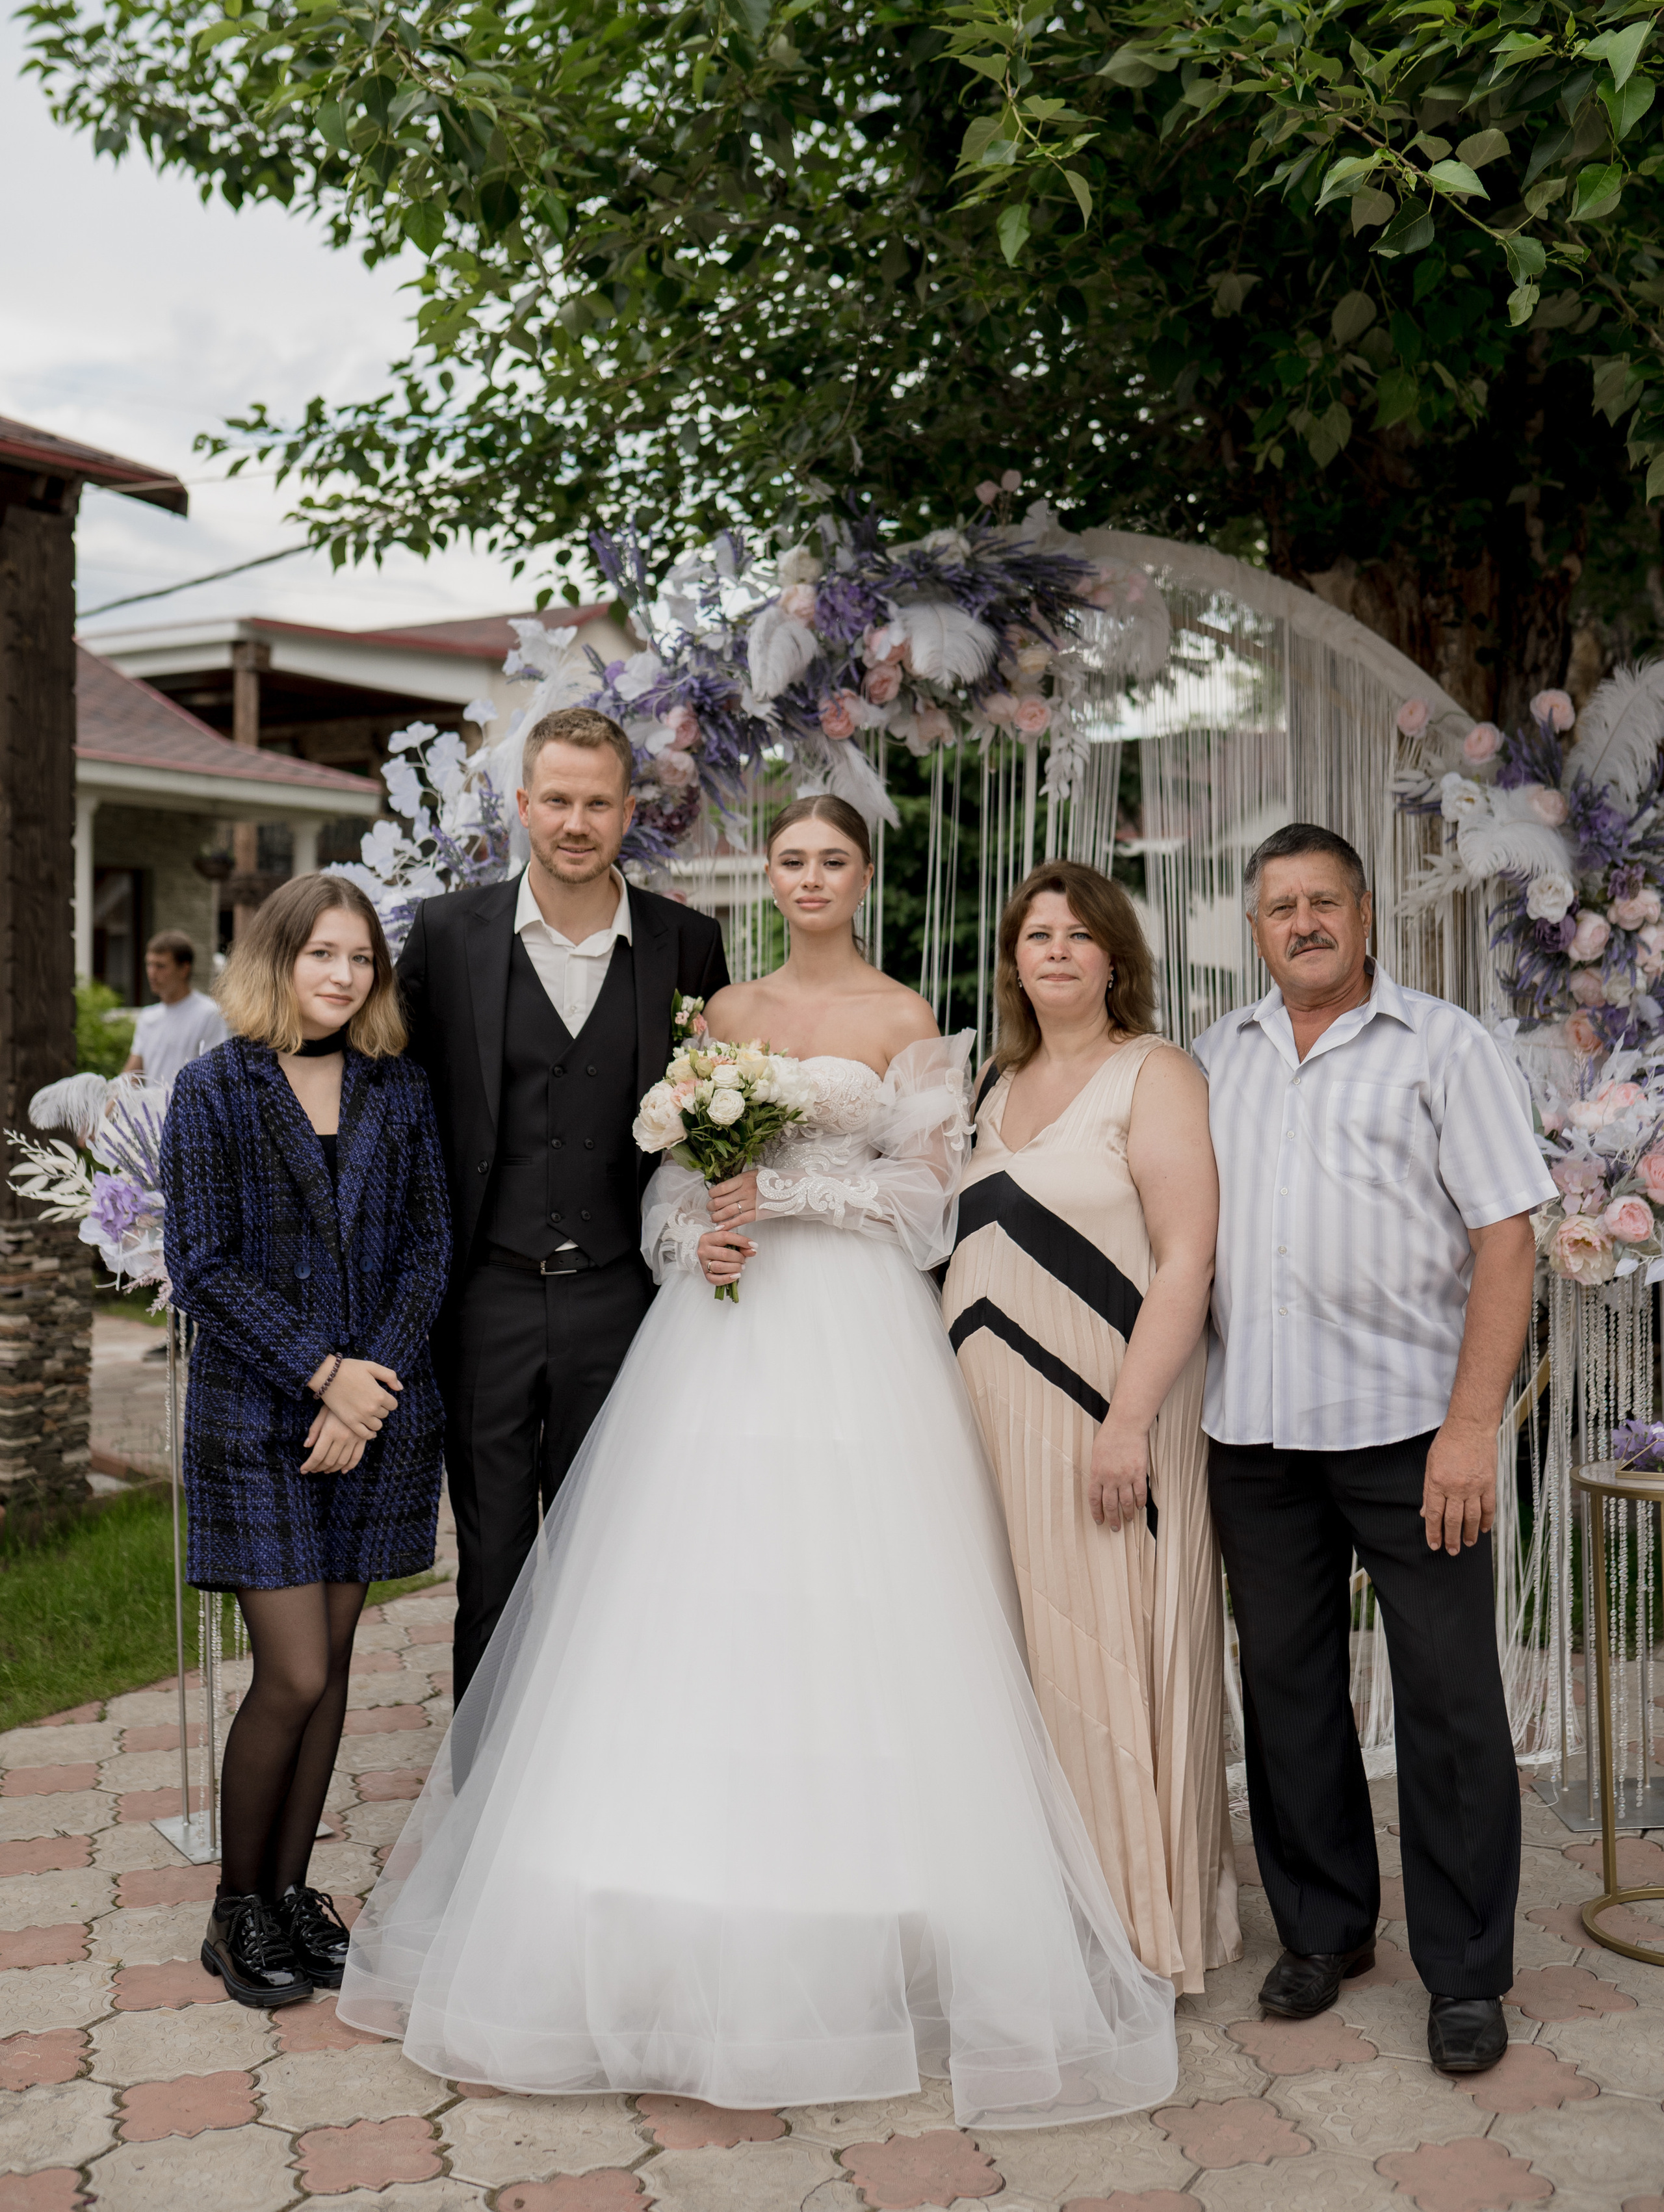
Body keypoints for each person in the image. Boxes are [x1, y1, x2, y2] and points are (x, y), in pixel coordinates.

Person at [339, 795, 1179, 2127]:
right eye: (789, 860)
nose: (808, 879)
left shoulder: (909, 1023)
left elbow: (924, 1207)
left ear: (861, 875)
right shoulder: (721, 1016)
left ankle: (871, 1899)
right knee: (694, 1592)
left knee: (856, 1593)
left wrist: (779, 1197)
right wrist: (695, 1238)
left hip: (855, 1333)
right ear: (768, 880)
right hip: (720, 1335)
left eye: (832, 860)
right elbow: (668, 1182)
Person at [1192, 822, 1554, 2079]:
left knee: (1450, 1702)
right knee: (1286, 1695)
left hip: (1411, 1433)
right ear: (1256, 930)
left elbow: (1508, 1242)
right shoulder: (1214, 1057)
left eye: (1324, 903)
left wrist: (1471, 1428)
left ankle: (1465, 1973)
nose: (1304, 923)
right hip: (1252, 1431)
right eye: (1281, 907)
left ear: (1365, 920)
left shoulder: (1445, 1046)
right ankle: (1324, 1930)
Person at [942, 861, 1238, 1997]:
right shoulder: (992, 1082)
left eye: (1078, 934)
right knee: (1021, 1664)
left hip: (1108, 1417)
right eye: (1035, 935)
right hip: (988, 1428)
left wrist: (1126, 1426)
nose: (1055, 950)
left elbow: (1187, 1258)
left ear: (1117, 956)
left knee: (1111, 1657)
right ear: (1013, 959)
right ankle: (1050, 1913)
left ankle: (1136, 1929)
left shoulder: (1155, 1074)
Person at [396, 706, 729, 1708]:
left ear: (630, 812)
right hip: (485, 1298)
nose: (575, 822)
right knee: (491, 1566)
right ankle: (479, 1810)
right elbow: (397, 1101)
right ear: (522, 807)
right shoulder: (449, 934)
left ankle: (597, 1794)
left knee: (612, 1563)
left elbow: (719, 1111)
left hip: (623, 1301)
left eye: (597, 803)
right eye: (557, 802)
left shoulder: (687, 944)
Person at [160, 876, 450, 2012]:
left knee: (334, 1678)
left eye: (360, 960)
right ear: (276, 959)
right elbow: (202, 1266)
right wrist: (323, 1377)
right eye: (321, 954)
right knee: (295, 1671)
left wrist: (364, 1391)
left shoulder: (400, 1087)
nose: (341, 976)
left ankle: (290, 1894)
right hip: (256, 1418)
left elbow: (429, 1247)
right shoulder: (213, 1090)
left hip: (377, 1415)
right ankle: (236, 1911)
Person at [122, 929, 228, 1083]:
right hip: (151, 1107)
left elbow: (215, 1075)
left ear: (184, 969)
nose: (152, 973)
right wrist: (106, 1106)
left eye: (161, 966)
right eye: (149, 964)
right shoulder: (148, 1017)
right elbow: (131, 1076)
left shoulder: (209, 1014)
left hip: (191, 1107)